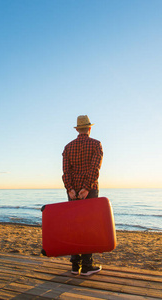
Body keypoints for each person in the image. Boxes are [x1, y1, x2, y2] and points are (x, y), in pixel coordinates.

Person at [62, 115, 104, 276]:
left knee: (74, 226)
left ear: (78, 129)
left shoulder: (68, 147)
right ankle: (86, 266)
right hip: (90, 190)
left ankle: (74, 265)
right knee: (88, 227)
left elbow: (66, 171)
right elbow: (95, 168)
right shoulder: (96, 144)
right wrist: (86, 188)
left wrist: (70, 189)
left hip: (72, 191)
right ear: (89, 128)